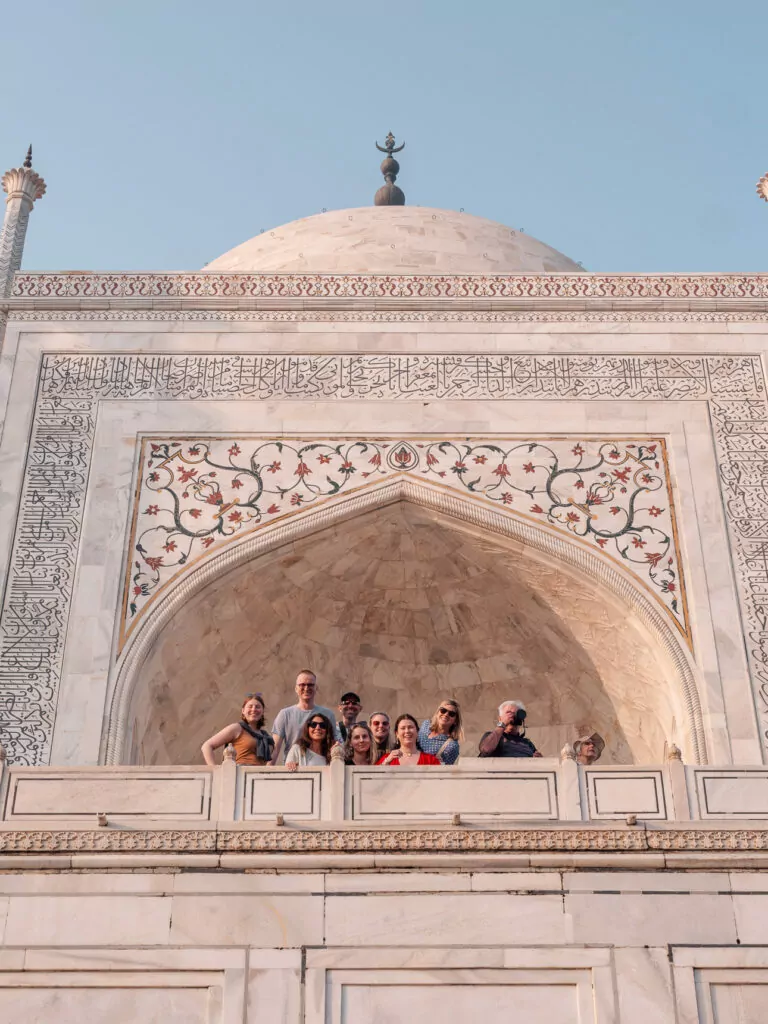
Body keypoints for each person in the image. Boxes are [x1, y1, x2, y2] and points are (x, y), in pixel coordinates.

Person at [270, 670, 338, 764]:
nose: (306, 688)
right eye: (302, 685)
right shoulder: (285, 714)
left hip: (322, 767)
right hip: (293, 768)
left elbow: (334, 743)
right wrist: (267, 773)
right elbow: (275, 748)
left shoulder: (328, 714)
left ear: (316, 688)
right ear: (296, 688)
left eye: (310, 685)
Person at [200, 693, 274, 766]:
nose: (254, 709)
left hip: (257, 776)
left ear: (262, 711)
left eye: (258, 707)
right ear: (243, 711)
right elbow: (207, 746)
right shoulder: (237, 728)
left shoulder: (266, 737)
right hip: (238, 775)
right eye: (250, 706)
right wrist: (214, 770)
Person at [478, 700, 543, 758]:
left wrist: (538, 760)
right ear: (500, 719)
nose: (512, 716)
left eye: (515, 713)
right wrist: (502, 724)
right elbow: (485, 749)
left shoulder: (527, 743)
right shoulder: (494, 737)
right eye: (508, 713)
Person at [418, 699, 462, 764]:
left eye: (451, 714)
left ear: (455, 721)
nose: (446, 714)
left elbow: (445, 771)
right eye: (443, 710)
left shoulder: (452, 746)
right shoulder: (426, 725)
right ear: (438, 712)